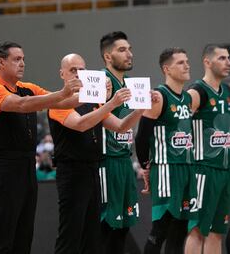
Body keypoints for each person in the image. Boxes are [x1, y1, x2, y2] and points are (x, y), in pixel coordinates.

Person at [0, 41, 82, 254]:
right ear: (1, 62)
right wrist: (63, 93)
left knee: (24, 235)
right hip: (3, 167)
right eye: (17, 59)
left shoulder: (28, 87)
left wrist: (100, 94)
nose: (23, 63)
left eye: (23, 59)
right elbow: (22, 105)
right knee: (2, 235)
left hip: (27, 165)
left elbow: (62, 103)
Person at [48, 53, 150, 254]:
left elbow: (120, 126)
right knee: (71, 234)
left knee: (92, 235)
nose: (78, 74)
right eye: (73, 70)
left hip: (93, 170)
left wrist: (140, 109)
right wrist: (111, 103)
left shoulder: (93, 101)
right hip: (71, 172)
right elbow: (80, 124)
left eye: (82, 70)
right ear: (62, 74)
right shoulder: (58, 101)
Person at [135, 48, 198, 254]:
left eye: (187, 61)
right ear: (167, 69)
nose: (187, 65)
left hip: (186, 169)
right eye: (181, 62)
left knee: (179, 232)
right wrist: (146, 167)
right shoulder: (159, 96)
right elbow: (142, 136)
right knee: (159, 230)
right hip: (166, 169)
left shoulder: (188, 99)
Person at [98, 31, 142, 254]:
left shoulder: (132, 85)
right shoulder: (100, 83)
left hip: (125, 161)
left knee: (124, 227)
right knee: (107, 228)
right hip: (106, 162)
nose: (129, 54)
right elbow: (110, 123)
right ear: (107, 56)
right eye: (122, 50)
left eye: (130, 49)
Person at [185, 44, 230, 254]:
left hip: (224, 170)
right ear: (207, 62)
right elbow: (179, 127)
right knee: (197, 230)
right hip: (203, 169)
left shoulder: (227, 92)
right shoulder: (197, 92)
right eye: (221, 58)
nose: (227, 62)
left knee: (217, 231)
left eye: (228, 58)